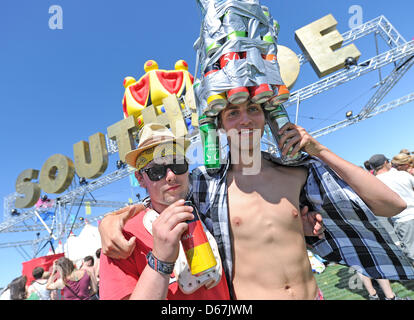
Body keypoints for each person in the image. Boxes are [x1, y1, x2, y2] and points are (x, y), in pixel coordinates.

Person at [99, 104, 413, 300]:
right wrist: (112, 220)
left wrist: (319, 150)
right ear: (220, 125)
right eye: (233, 112)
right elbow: (163, 195)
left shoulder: (297, 172)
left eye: (253, 109)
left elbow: (392, 205)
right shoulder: (208, 185)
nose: (245, 120)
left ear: (266, 116)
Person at [369, 154, 414, 265]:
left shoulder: (374, 183)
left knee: (412, 253)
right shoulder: (402, 174)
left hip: (401, 220)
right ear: (385, 162)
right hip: (409, 215)